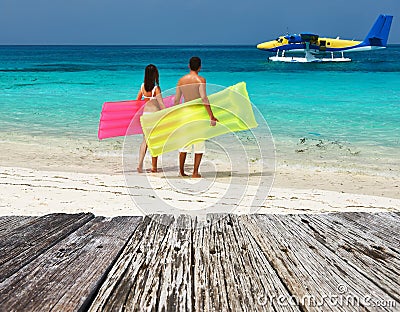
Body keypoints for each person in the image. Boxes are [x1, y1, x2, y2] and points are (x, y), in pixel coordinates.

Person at [174, 56, 218, 178]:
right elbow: (204, 98)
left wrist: (175, 115)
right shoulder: (201, 80)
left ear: (189, 66)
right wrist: (211, 116)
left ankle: (182, 171)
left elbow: (177, 100)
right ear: (200, 67)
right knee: (199, 143)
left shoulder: (181, 80)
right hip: (197, 114)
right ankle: (195, 172)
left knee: (183, 144)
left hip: (184, 114)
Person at [136, 64, 165, 173]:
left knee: (145, 141)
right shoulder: (156, 88)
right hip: (154, 117)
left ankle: (140, 164)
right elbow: (161, 104)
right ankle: (154, 167)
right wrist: (167, 113)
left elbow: (137, 101)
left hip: (145, 117)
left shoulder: (142, 87)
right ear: (155, 75)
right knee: (155, 142)